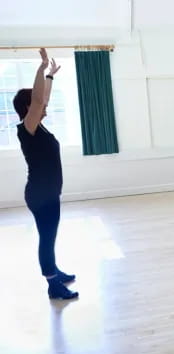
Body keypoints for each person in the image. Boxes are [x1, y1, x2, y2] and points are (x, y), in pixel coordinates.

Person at [13, 48, 78, 300]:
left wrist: (50, 76)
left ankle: (54, 271)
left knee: (50, 237)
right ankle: (53, 285)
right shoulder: (26, 128)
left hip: (48, 193)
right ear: (28, 107)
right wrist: (40, 68)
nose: (44, 104)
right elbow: (39, 101)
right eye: (37, 102)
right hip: (41, 195)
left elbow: (43, 99)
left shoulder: (38, 126)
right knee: (46, 238)